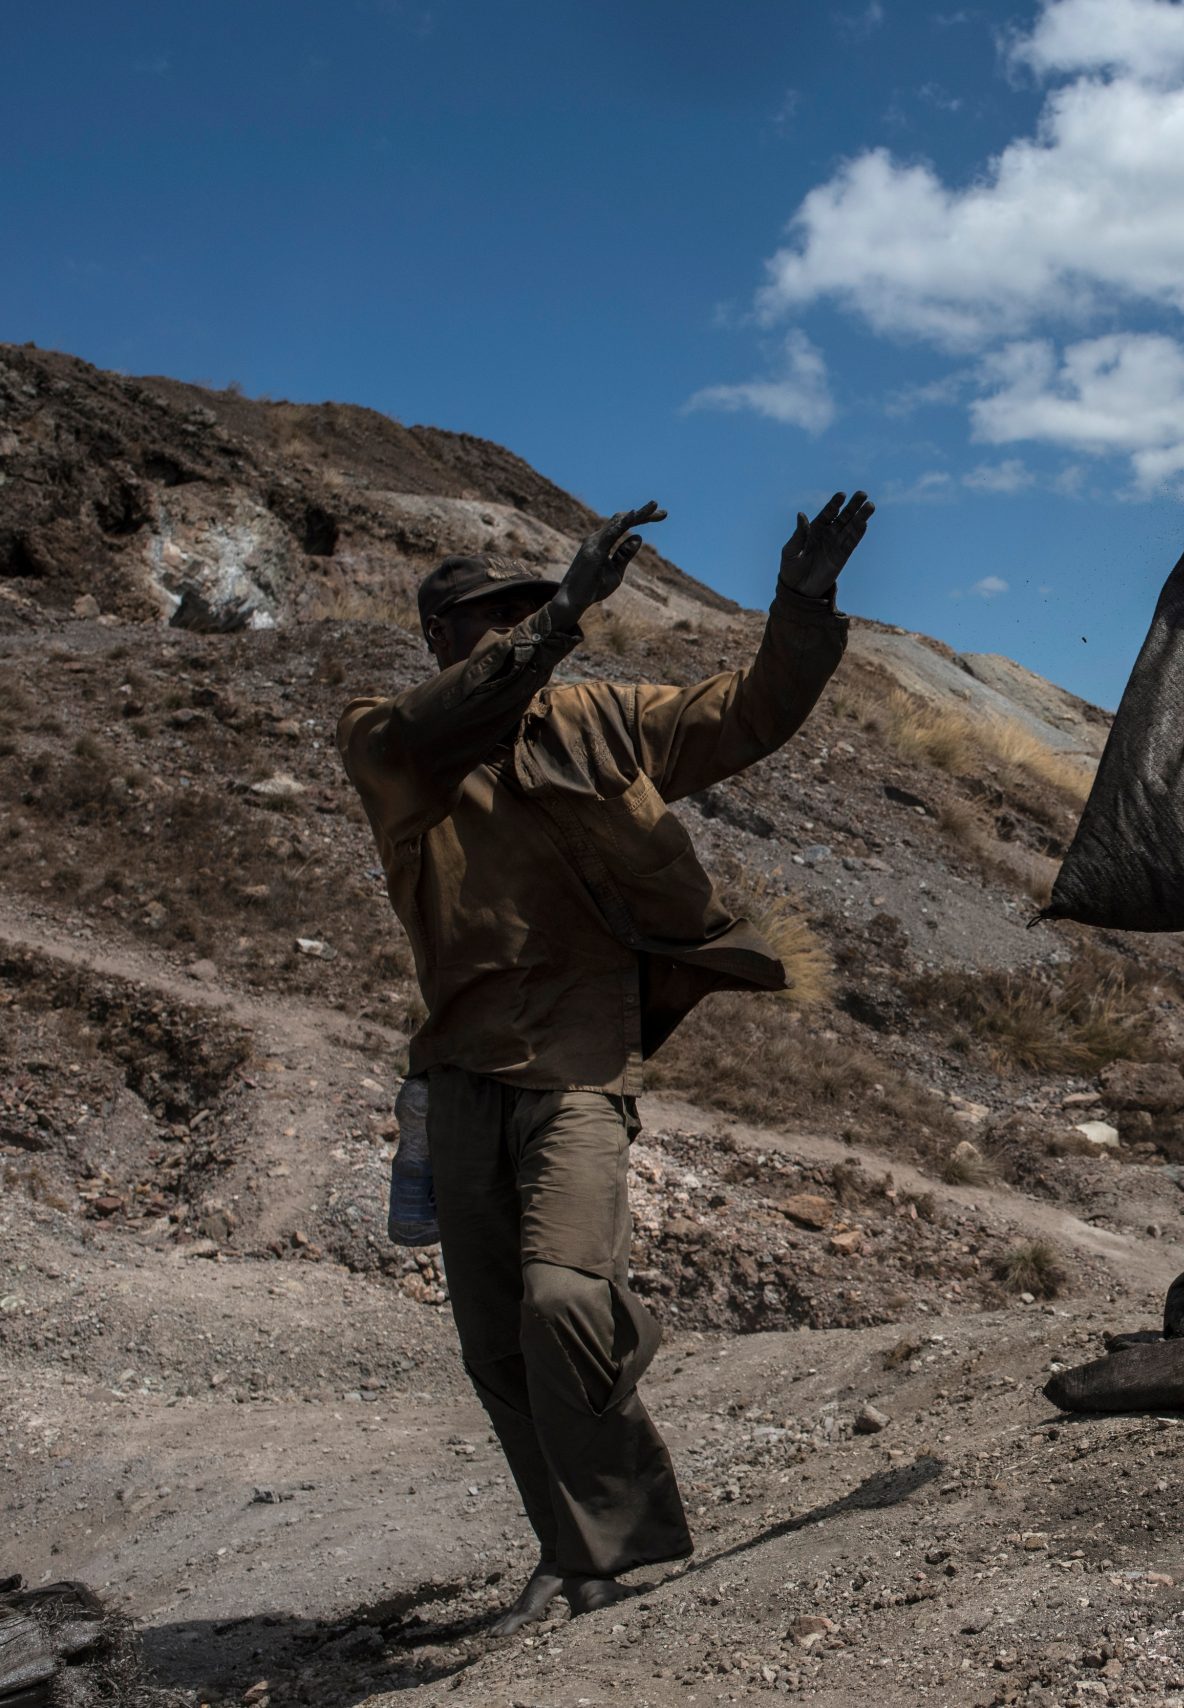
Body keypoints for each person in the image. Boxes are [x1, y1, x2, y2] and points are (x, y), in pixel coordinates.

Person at [338, 491, 873, 1631]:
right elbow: (443, 719)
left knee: (562, 1297)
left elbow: (749, 715)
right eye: (489, 619)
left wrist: (803, 601)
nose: (516, 633)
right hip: (461, 1077)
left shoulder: (597, 722)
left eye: (528, 611)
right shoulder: (390, 743)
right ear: (436, 639)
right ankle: (578, 1555)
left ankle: (613, 1507)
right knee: (496, 1348)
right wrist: (566, 612)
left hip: (581, 1065)